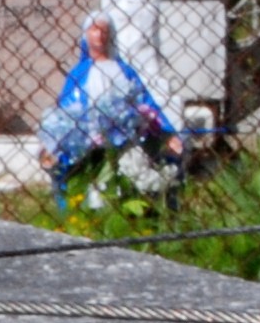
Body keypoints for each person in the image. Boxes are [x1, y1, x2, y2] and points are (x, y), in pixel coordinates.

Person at [39, 12, 179, 207]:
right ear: (85, 35)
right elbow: (66, 108)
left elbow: (145, 102)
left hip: (123, 139)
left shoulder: (124, 71)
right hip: (88, 140)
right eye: (94, 29)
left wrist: (167, 133)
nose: (100, 35)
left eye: (105, 30)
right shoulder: (79, 74)